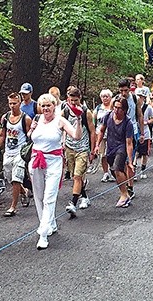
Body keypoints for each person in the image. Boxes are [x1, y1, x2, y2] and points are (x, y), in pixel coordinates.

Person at [28, 94, 82, 250]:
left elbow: (76, 136)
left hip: (53, 162)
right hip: (36, 161)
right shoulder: (37, 119)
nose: (46, 109)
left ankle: (43, 234)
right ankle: (50, 223)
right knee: (38, 196)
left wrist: (78, 120)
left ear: (54, 106)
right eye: (43, 106)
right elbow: (31, 138)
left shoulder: (60, 120)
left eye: (48, 106)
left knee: (49, 197)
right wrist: (31, 130)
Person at [0, 93, 33, 217]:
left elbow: (30, 136)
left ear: (19, 103)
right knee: (9, 176)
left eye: (15, 103)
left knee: (16, 179)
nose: (12, 106)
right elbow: (2, 134)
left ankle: (13, 206)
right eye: (10, 103)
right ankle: (24, 191)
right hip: (8, 151)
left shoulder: (26, 118)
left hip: (20, 152)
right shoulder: (5, 117)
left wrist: (29, 152)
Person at [94, 97, 134, 207]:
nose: (116, 110)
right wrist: (97, 145)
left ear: (124, 110)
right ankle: (127, 188)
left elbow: (129, 143)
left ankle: (124, 195)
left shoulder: (128, 123)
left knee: (117, 169)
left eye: (119, 108)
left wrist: (130, 161)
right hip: (110, 147)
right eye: (115, 107)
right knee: (115, 171)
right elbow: (101, 131)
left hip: (121, 148)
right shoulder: (108, 116)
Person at [61, 86, 96, 214]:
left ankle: (73, 202)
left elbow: (92, 132)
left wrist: (93, 150)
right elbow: (61, 127)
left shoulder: (86, 112)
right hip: (70, 147)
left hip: (82, 148)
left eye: (75, 100)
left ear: (79, 98)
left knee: (77, 175)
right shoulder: (64, 111)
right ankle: (85, 197)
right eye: (71, 100)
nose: (73, 103)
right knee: (74, 176)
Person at [117, 78, 145, 198]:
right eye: (121, 90)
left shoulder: (135, 99)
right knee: (120, 162)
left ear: (130, 88)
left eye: (126, 90)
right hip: (119, 133)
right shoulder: (116, 100)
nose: (124, 93)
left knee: (130, 161)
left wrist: (142, 133)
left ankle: (130, 187)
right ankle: (123, 186)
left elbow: (140, 115)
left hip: (132, 132)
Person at [135, 87, 153, 178]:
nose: (139, 98)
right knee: (134, 152)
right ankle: (134, 171)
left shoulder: (148, 107)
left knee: (144, 153)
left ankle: (143, 170)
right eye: (138, 96)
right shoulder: (133, 107)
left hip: (145, 132)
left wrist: (147, 122)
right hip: (135, 132)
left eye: (141, 96)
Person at [94, 89, 115, 182]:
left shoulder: (114, 108)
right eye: (103, 96)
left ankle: (113, 171)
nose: (105, 98)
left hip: (112, 134)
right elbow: (93, 121)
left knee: (111, 154)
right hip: (100, 134)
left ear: (111, 97)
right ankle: (106, 173)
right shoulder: (98, 108)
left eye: (107, 96)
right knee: (102, 155)